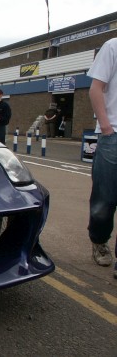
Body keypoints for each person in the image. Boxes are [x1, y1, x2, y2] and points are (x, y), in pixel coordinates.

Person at [86, 37, 117, 278]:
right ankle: (99, 240)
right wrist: (106, 127)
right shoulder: (112, 46)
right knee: (104, 201)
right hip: (113, 135)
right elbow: (96, 88)